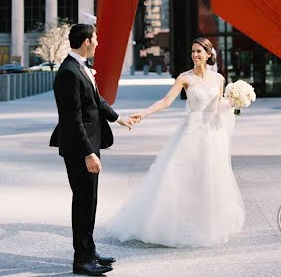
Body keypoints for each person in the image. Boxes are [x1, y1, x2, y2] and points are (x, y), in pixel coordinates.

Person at [104, 37, 246, 247]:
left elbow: (216, 108)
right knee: (179, 177)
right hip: (191, 131)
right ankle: (173, 223)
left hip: (212, 135)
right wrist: (144, 113)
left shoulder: (218, 79)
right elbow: (166, 101)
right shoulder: (184, 78)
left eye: (199, 51)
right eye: (193, 51)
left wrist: (235, 101)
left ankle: (206, 224)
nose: (195, 55)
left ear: (208, 54)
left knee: (209, 179)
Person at [50, 23, 134, 276]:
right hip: (80, 149)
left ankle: (89, 252)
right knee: (84, 202)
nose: (98, 42)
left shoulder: (80, 67)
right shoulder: (68, 73)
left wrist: (118, 118)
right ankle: (81, 261)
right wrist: (88, 153)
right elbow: (71, 119)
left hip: (89, 144)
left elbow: (96, 101)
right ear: (87, 41)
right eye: (95, 38)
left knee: (90, 201)